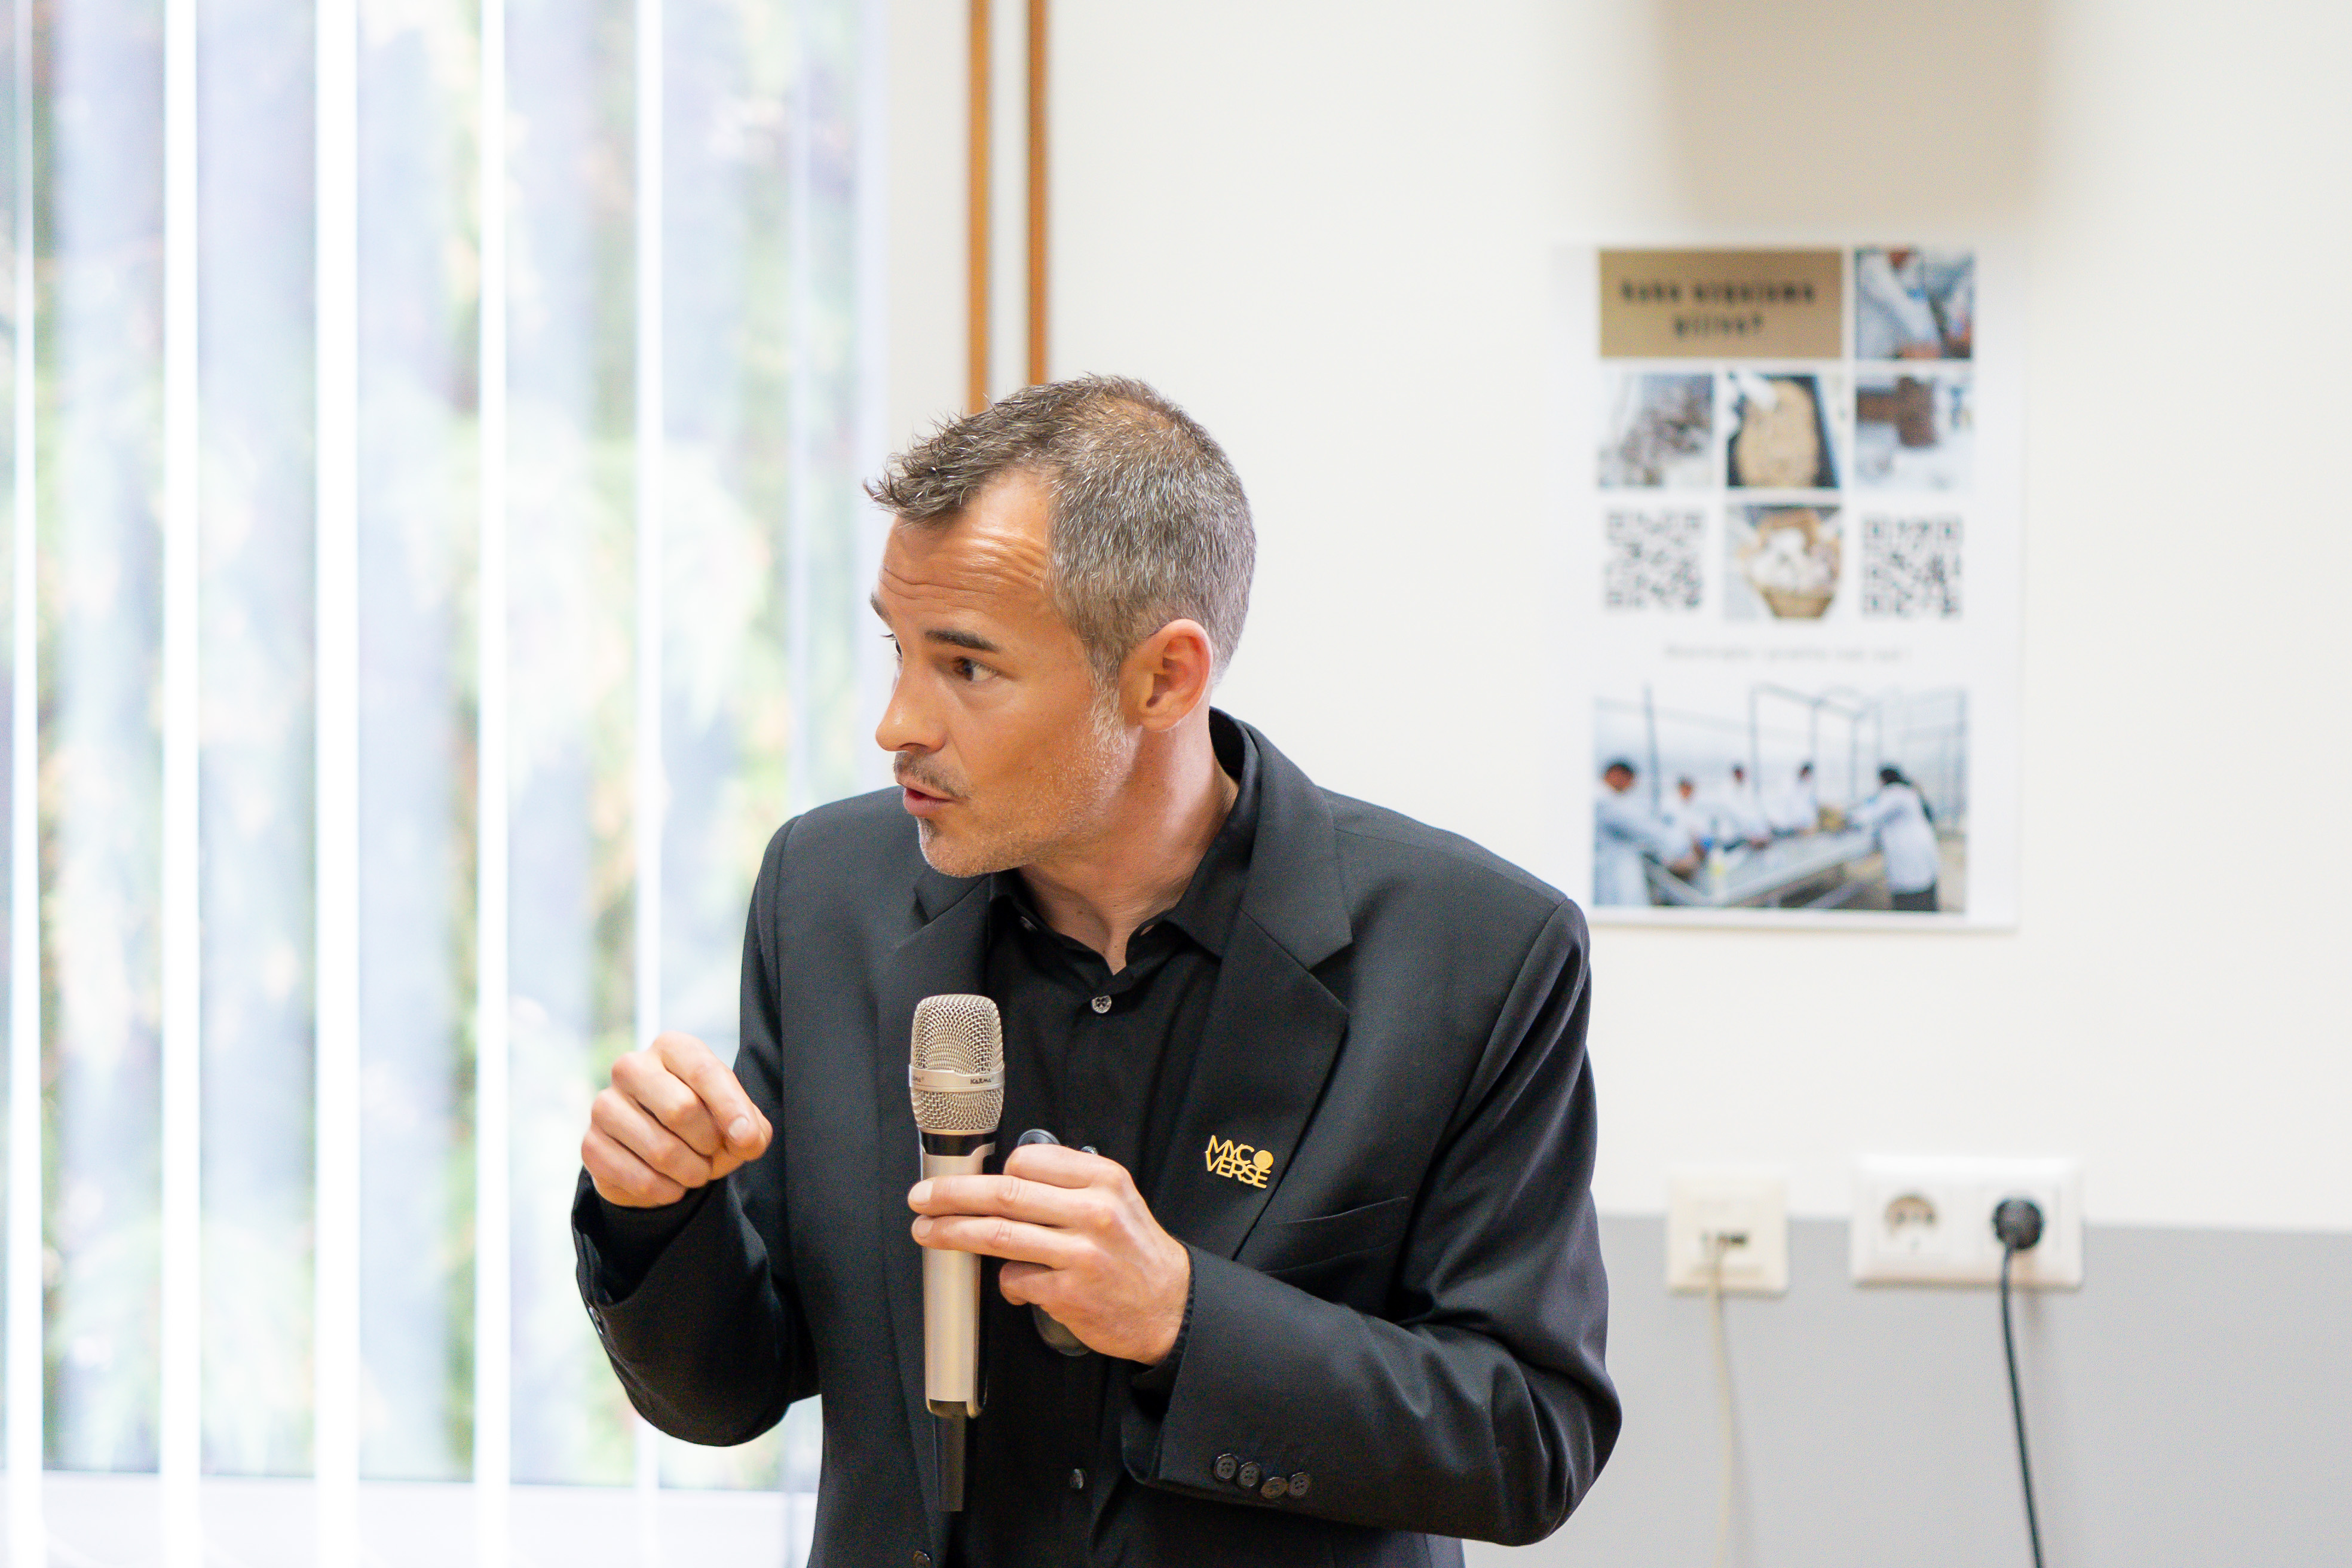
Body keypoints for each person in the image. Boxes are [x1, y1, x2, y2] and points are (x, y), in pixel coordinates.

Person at [572, 377, 1619, 1567]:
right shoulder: (825, 891)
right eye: (898, 649)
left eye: (967, 668)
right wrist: (656, 1213)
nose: (897, 722)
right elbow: (728, 1388)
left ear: (1164, 678)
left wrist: (1184, 1315)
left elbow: (1531, 1438)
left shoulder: (1475, 953)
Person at [1594, 759, 1700, 905]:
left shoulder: (1609, 800)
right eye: (1630, 781)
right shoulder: (1604, 802)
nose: (1631, 787)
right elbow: (1645, 830)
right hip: (1612, 881)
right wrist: (1681, 850)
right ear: (1616, 774)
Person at [1849, 765, 1941, 911]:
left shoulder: (1894, 793)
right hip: (1921, 849)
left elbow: (1869, 815)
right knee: (1925, 898)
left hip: (1910, 856)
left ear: (1883, 779)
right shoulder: (1908, 791)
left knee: (1911, 903)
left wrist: (1845, 817)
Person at [1712, 762, 1774, 847]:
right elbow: (1735, 815)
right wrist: (1750, 836)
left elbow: (1756, 812)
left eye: (1742, 774)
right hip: (1733, 838)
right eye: (1738, 774)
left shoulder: (1747, 790)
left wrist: (1763, 832)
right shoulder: (1727, 793)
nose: (1740, 776)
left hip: (1748, 835)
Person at [1766, 761, 1820, 837]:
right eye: (1807, 774)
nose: (1808, 777)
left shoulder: (1804, 787)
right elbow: (1788, 803)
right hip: (1786, 823)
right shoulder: (1789, 783)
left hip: (1793, 825)